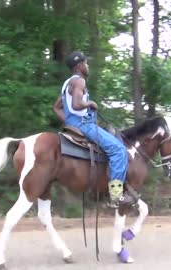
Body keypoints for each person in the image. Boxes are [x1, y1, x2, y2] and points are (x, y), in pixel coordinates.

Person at [53, 51, 136, 208]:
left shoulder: (67, 84)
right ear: (79, 66)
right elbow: (77, 104)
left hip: (76, 123)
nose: (88, 66)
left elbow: (57, 108)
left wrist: (69, 122)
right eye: (86, 63)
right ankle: (116, 196)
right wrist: (90, 103)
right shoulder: (79, 82)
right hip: (84, 125)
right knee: (119, 150)